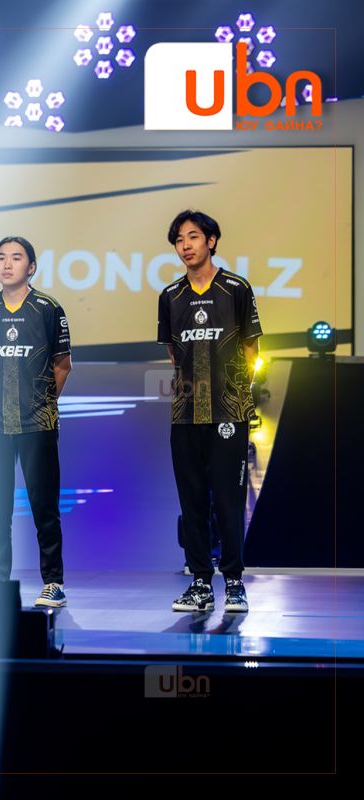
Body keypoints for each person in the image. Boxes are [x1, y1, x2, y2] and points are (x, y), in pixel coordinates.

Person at [159, 210, 261, 613]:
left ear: (212, 241)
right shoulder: (170, 296)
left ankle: (234, 582)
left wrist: (235, 395)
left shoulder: (236, 288)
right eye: (179, 240)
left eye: (193, 237)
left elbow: (251, 350)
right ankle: (200, 583)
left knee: (229, 501)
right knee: (192, 502)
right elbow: (174, 354)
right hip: (185, 416)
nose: (185, 245)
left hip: (228, 414)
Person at [0, 236, 71, 609]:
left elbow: (62, 366)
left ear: (32, 266)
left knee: (44, 506)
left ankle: (53, 583)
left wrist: (41, 404)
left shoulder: (48, 309)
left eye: (16, 257)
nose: (7, 264)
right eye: (1, 258)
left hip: (37, 423)